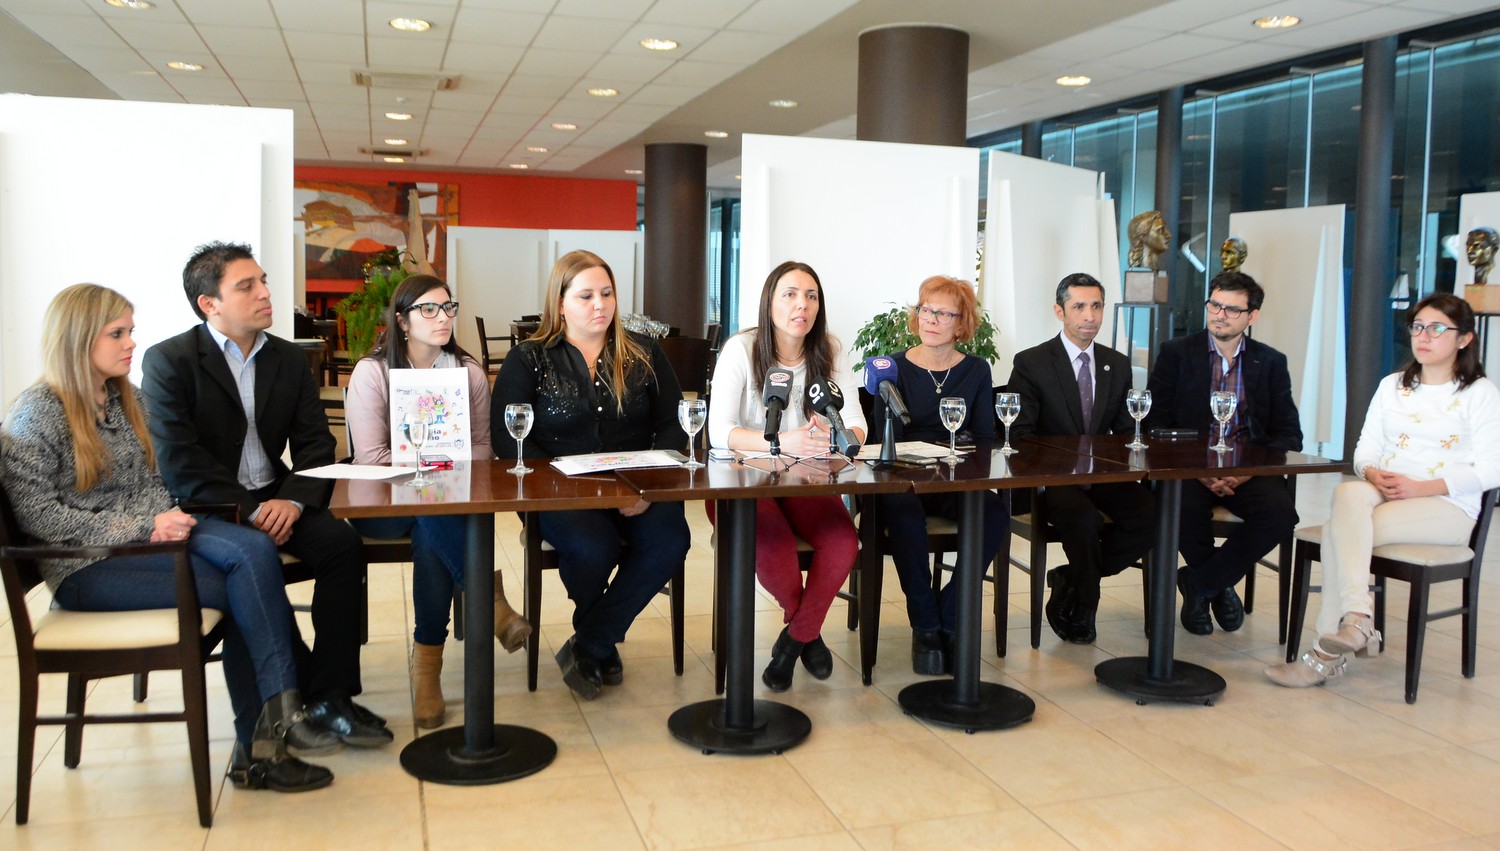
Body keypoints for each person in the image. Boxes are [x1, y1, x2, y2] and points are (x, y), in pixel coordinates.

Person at [1, 284, 334, 792]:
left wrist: (165, 516)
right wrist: (147, 524)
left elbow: (160, 480)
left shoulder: (123, 397)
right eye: (118, 333)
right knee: (243, 585)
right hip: (86, 567)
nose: (132, 342)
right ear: (77, 338)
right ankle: (272, 731)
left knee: (254, 550)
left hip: (151, 541)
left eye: (131, 331)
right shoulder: (37, 413)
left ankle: (278, 722)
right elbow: (41, 517)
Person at [142, 242, 391, 748]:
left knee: (343, 548)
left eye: (263, 281)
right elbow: (182, 463)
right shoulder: (169, 361)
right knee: (254, 560)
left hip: (279, 494)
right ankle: (295, 696)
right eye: (246, 286)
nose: (265, 293)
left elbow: (317, 445)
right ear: (208, 304)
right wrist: (252, 510)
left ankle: (333, 695)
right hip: (211, 509)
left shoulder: (288, 358)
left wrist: (292, 501)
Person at [1266, 294, 1500, 686]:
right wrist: (1373, 474)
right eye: (1418, 326)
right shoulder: (1393, 385)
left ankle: (1324, 656)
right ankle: (1357, 617)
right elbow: (1364, 450)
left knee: (1338, 533)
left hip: (1447, 505)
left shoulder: (1479, 393)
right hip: (1388, 492)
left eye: (1438, 328)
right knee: (1347, 495)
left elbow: (1493, 469)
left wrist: (1421, 486)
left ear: (1464, 339)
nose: (1424, 336)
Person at [493, 249, 689, 701]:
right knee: (592, 547)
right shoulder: (529, 359)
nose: (599, 305)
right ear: (559, 304)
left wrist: (645, 485)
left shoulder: (643, 352)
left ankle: (593, 638)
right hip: (560, 491)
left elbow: (675, 422)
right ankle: (599, 634)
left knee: (671, 541)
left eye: (606, 293)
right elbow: (510, 440)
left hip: (640, 482)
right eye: (585, 296)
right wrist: (592, 494)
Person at [345, 274, 529, 728]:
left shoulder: (467, 373)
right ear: (403, 320)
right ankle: (490, 601)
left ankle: (427, 664)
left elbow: (484, 448)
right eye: (428, 309)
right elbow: (370, 460)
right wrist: (436, 470)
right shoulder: (373, 373)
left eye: (448, 308)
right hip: (384, 505)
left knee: (432, 525)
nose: (442, 317)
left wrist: (441, 474)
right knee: (432, 507)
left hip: (446, 503)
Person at [706, 260, 868, 691]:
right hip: (738, 480)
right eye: (790, 294)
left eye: (811, 296)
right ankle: (808, 634)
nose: (802, 305)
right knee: (774, 548)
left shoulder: (830, 349)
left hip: (804, 477)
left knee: (842, 543)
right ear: (770, 303)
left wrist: (834, 433)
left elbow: (857, 423)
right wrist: (779, 443)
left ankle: (792, 640)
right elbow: (718, 433)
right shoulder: (740, 349)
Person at [1144, 271, 1302, 635]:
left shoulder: (1271, 362)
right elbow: (1156, 424)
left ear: (1252, 316)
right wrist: (1198, 469)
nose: (1220, 314)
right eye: (1215, 305)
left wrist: (1246, 472)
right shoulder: (1176, 353)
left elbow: (1289, 434)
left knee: (1280, 515)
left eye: (1232, 309)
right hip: (1188, 468)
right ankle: (1219, 584)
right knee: (1178, 508)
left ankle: (1201, 584)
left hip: (1246, 469)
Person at [868, 275, 1009, 673]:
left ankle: (949, 608)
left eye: (943, 313)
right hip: (903, 479)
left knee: (995, 512)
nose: (930, 319)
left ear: (961, 323)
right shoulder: (890, 367)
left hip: (953, 475)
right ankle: (926, 625)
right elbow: (882, 440)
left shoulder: (977, 371)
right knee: (901, 511)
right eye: (926, 310)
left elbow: (983, 439)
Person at [1007, 273, 1156, 644]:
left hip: (1102, 474)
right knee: (1083, 520)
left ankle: (1071, 579)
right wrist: (1067, 462)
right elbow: (1020, 434)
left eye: (1096, 306)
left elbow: (1124, 433)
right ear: (1060, 311)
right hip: (1053, 479)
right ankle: (1087, 606)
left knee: (1153, 516)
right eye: (1079, 307)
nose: (1090, 315)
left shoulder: (1118, 364)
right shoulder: (1032, 362)